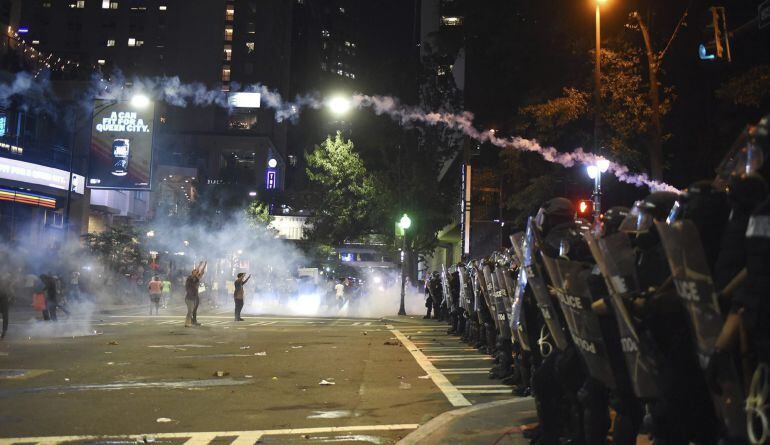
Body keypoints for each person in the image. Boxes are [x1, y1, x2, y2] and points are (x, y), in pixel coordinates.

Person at [185, 261, 206, 327]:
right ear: (192, 273)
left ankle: (193, 321)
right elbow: (196, 272)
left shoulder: (196, 279)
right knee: (190, 311)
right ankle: (188, 322)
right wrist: (199, 265)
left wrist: (205, 264)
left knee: (193, 310)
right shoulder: (190, 278)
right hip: (189, 297)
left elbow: (202, 272)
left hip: (194, 297)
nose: (197, 273)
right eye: (195, 272)